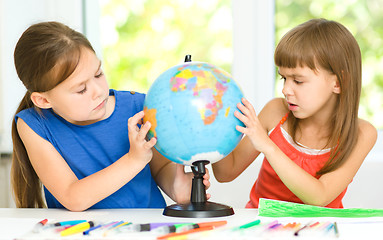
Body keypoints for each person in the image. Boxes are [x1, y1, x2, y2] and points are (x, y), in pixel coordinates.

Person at [11, 21, 210, 211]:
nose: (98, 91)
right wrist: (134, 160)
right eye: (81, 89)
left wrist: (178, 188)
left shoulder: (138, 106)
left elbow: (159, 168)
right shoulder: (34, 124)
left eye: (98, 74)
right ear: (44, 101)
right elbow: (73, 197)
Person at [212, 18, 377, 208]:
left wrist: (268, 146)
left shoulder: (362, 133)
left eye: (298, 81)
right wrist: (213, 124)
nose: (285, 90)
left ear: (338, 82)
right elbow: (226, 173)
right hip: (262, 230)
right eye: (284, 78)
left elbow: (319, 197)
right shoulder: (275, 111)